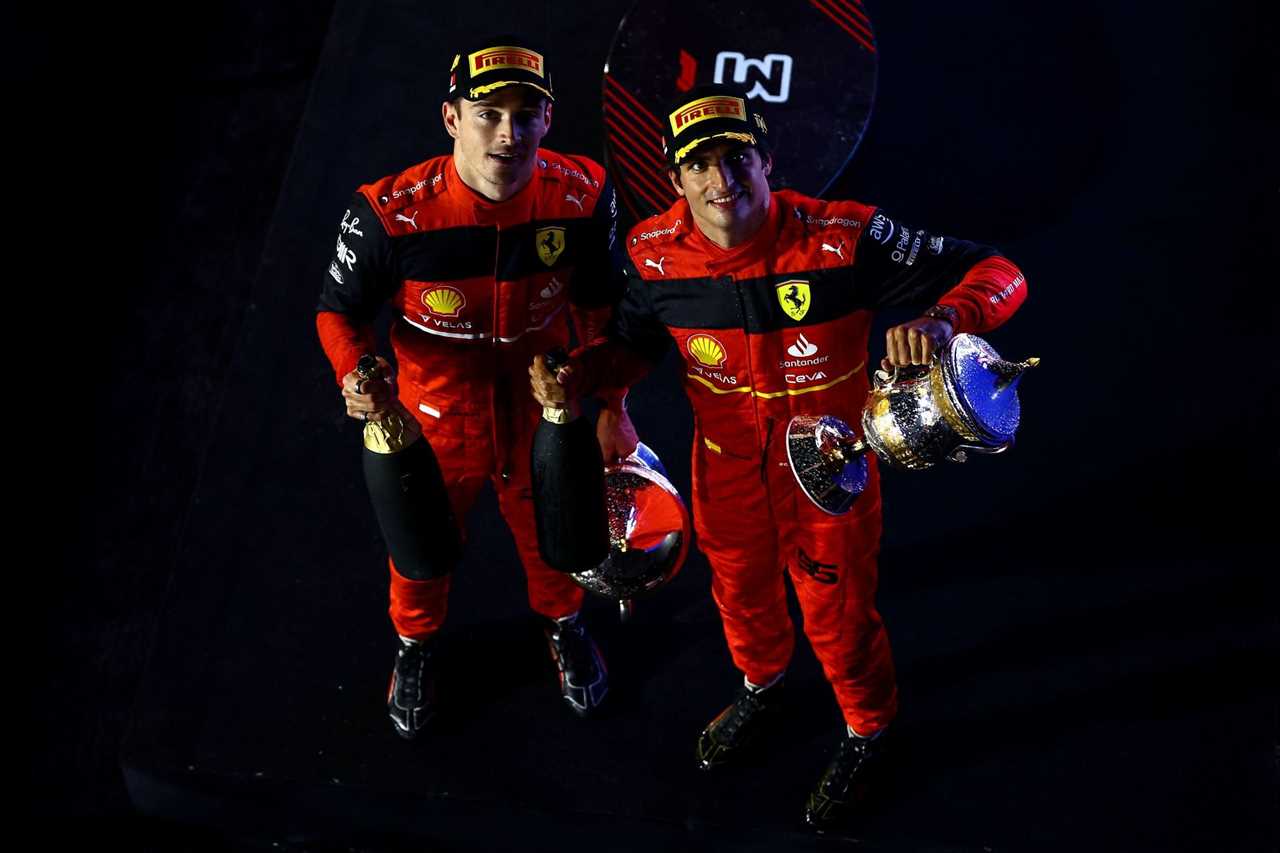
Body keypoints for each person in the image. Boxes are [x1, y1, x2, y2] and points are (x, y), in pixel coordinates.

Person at [529, 84, 1028, 828]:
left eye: (738, 159)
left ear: (768, 160)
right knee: (739, 596)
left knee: (838, 615)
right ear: (674, 179)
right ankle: (762, 686)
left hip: (833, 473)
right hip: (724, 470)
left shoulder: (845, 236)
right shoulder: (652, 255)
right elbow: (632, 348)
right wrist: (584, 379)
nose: (720, 181)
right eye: (699, 165)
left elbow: (1001, 272)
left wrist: (941, 317)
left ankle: (868, 729)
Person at [316, 35, 632, 739]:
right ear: (451, 118)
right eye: (488, 113)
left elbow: (600, 308)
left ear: (549, 120)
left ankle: (565, 627)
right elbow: (338, 310)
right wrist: (354, 376)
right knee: (419, 553)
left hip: (542, 410)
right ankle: (416, 646)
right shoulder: (389, 211)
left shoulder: (585, 196)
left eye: (527, 114)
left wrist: (612, 404)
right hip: (432, 421)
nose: (507, 133)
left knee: (560, 543)